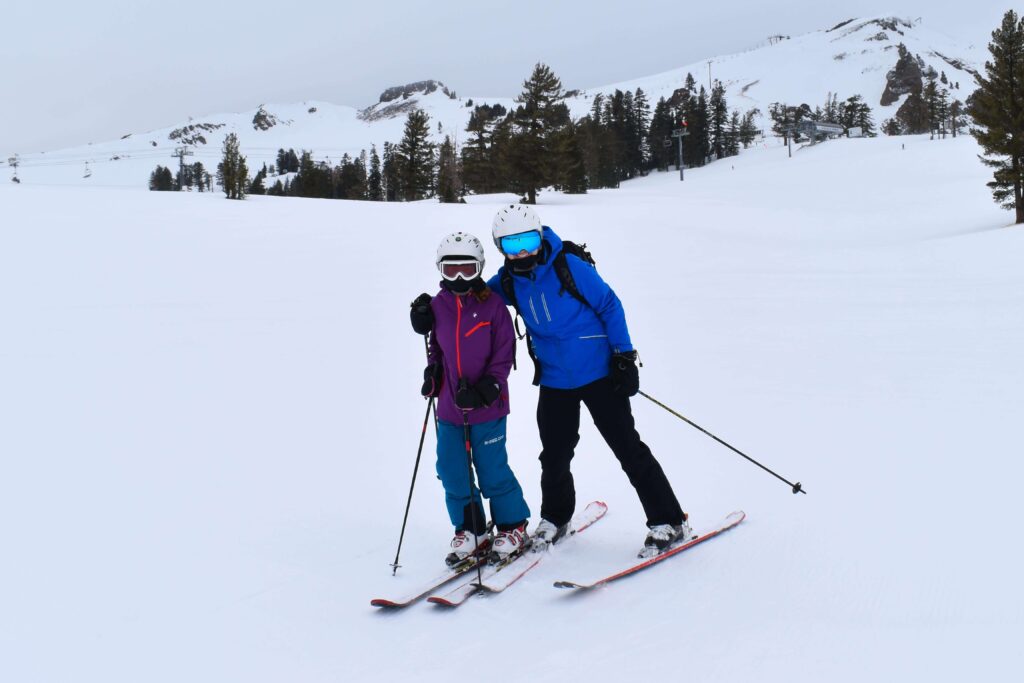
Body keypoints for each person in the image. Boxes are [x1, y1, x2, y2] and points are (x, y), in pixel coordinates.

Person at [486, 205, 688, 558]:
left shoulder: (568, 266)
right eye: (511, 244)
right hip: (554, 379)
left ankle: (668, 520)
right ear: (499, 247)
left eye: (528, 241)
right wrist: (436, 306)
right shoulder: (506, 282)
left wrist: (624, 355)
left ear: (539, 236)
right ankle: (556, 518)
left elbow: (609, 304)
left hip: (599, 373)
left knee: (627, 448)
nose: (522, 252)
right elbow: (474, 300)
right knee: (554, 455)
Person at [409, 232, 531, 566]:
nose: (460, 277)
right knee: (451, 470)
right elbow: (437, 347)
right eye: (451, 271)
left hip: (488, 406)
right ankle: (472, 528)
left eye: (467, 269)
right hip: (450, 406)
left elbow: (504, 353)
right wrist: (433, 373)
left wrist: (488, 388)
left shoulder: (493, 306)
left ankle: (512, 525)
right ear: (441, 271)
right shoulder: (438, 305)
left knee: (492, 470)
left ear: (479, 268)